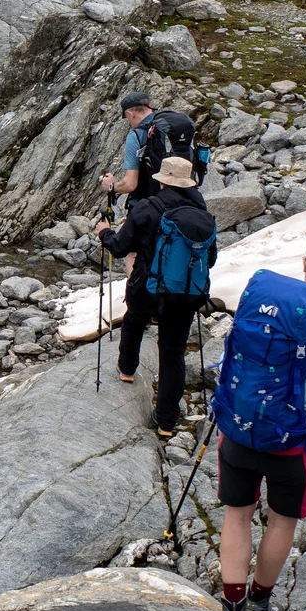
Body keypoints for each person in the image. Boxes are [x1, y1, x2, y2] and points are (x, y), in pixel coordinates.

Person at [210, 243, 306, 611]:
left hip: (240, 430)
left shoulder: (267, 299)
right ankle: (259, 605)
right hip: (296, 444)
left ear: (305, 263)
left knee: (237, 516)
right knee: (282, 523)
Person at [94, 154, 216, 438]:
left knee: (134, 319)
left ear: (162, 182)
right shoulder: (201, 214)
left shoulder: (149, 207)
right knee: (172, 354)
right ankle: (167, 422)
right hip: (186, 295)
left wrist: (104, 233)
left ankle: (127, 369)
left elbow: (120, 247)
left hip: (148, 289)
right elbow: (210, 259)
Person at [101, 91, 155, 202]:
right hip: (185, 201)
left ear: (130, 114)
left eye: (127, 117)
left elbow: (130, 184)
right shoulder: (172, 125)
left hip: (153, 203)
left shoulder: (136, 135)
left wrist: (111, 186)